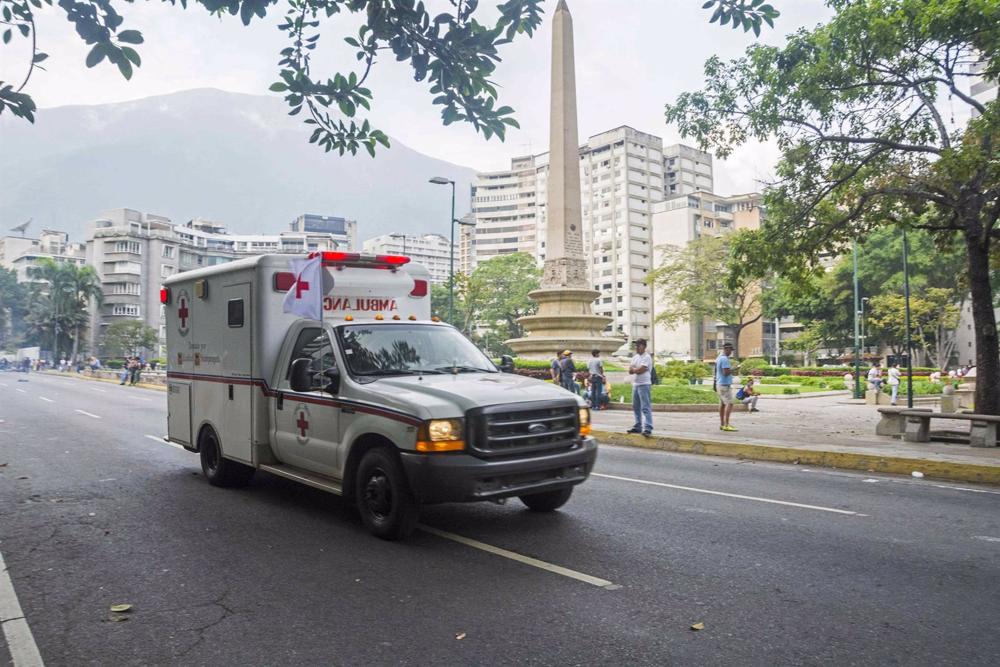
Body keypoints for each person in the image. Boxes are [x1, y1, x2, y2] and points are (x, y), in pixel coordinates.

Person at [627, 339, 653, 436]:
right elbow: (630, 370)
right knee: (635, 406)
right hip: (636, 384)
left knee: (645, 407)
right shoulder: (635, 357)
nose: (636, 347)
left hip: (644, 384)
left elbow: (641, 370)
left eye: (638, 345)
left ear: (643, 346)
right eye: (636, 345)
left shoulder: (647, 357)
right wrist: (635, 370)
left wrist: (635, 369)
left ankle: (648, 427)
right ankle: (638, 426)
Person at [716, 342, 737, 431]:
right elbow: (725, 373)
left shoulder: (719, 358)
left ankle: (722, 424)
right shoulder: (724, 359)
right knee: (730, 403)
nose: (731, 352)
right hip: (724, 385)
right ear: (726, 349)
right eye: (730, 350)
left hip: (719, 384)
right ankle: (726, 424)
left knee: (722, 405)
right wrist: (734, 368)